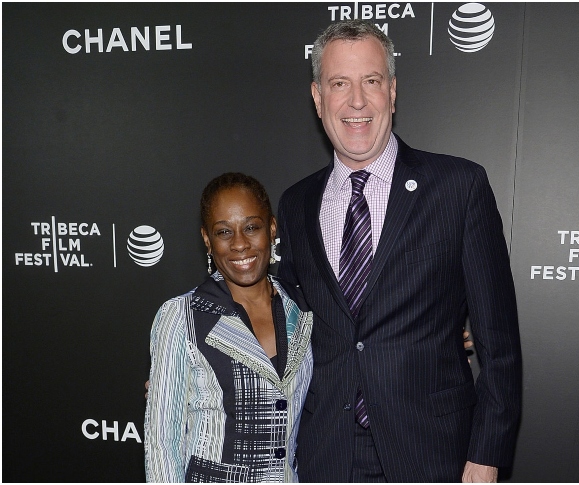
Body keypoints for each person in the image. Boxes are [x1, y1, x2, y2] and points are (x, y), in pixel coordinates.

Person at [276, 20, 522, 482]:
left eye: (370, 81)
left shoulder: (458, 188)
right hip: (325, 454)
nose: (356, 101)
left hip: (431, 454)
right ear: (317, 97)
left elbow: (500, 345)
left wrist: (486, 454)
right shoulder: (295, 204)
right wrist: (192, 367)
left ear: (391, 91)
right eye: (339, 84)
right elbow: (281, 322)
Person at [144, 173, 313, 482]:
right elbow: (161, 443)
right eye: (224, 232)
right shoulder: (182, 316)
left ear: (271, 228)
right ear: (207, 239)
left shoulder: (300, 308)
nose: (239, 244)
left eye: (251, 227)